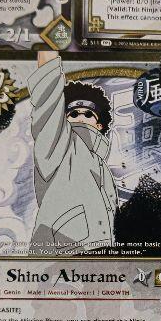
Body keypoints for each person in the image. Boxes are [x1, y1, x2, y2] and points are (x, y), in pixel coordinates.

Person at [27, 51, 118, 251]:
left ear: (100, 124)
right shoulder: (59, 145)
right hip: (60, 254)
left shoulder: (101, 165)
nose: (81, 117)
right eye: (73, 113)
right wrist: (48, 51)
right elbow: (47, 105)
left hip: (99, 257)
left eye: (88, 114)